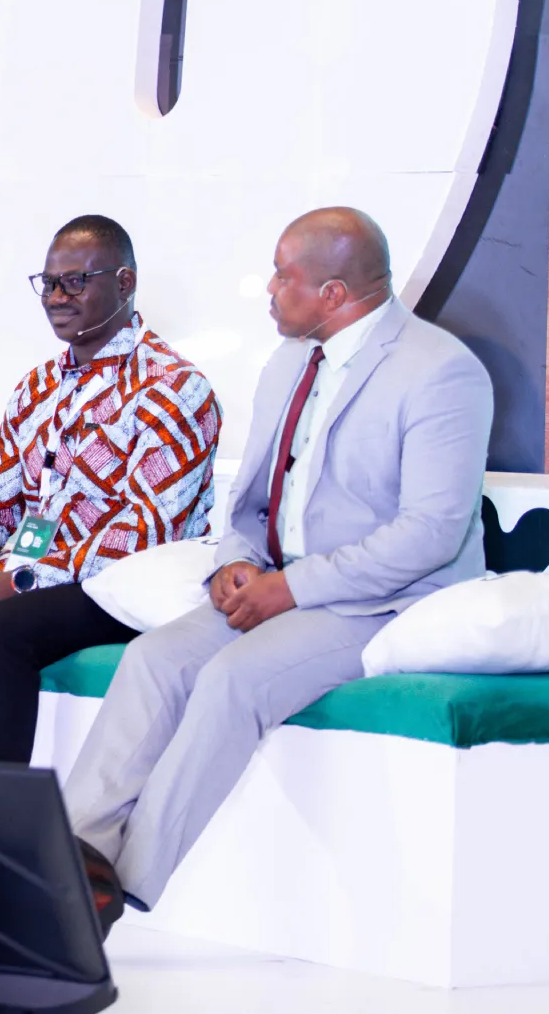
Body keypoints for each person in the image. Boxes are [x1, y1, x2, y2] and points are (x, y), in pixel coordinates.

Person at [62, 208, 494, 934]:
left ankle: (111, 896)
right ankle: (68, 865)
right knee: (153, 660)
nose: (267, 288)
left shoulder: (440, 371)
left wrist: (290, 588)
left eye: (282, 275)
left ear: (333, 292)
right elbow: (251, 501)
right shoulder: (289, 362)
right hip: (277, 585)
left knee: (233, 680)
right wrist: (236, 563)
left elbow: (430, 534)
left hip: (382, 602)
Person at [0, 216, 221, 765]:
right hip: (25, 572)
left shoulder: (174, 388)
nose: (56, 297)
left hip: (115, 585)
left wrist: (14, 583)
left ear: (124, 283)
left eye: (75, 281)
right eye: (48, 283)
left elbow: (144, 534)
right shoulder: (38, 386)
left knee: (1, 627)